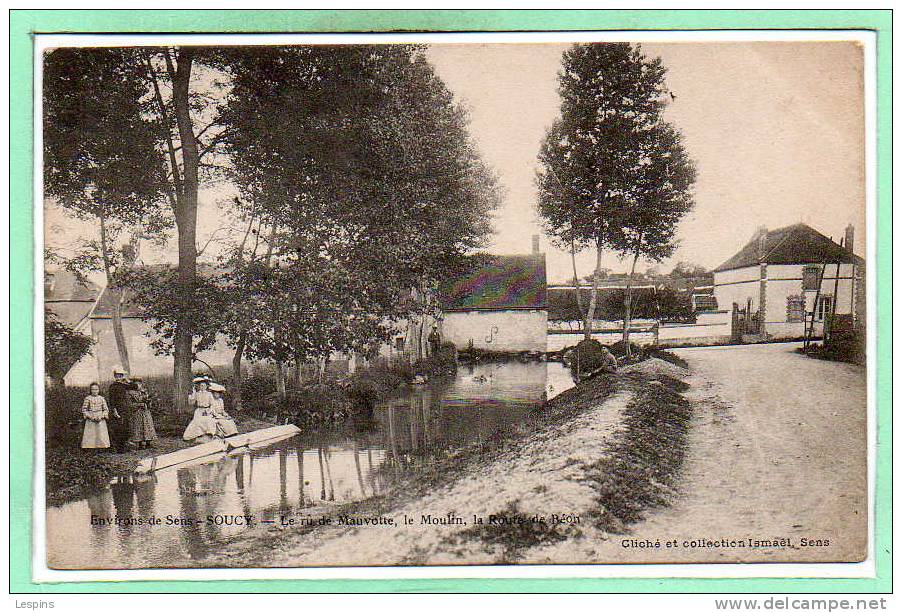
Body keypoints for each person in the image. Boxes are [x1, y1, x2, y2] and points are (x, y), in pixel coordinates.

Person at [126, 377, 157, 449]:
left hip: (145, 412)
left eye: (140, 384)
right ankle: (140, 443)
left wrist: (149, 401)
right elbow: (130, 404)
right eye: (137, 384)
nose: (139, 386)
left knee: (147, 426)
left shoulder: (143, 392)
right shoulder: (130, 393)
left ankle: (148, 442)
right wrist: (140, 404)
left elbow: (147, 400)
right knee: (139, 427)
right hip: (137, 412)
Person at [184, 377, 217, 444]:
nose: (202, 387)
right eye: (201, 386)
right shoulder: (197, 393)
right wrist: (193, 393)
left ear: (206, 386)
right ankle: (198, 435)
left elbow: (213, 404)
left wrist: (209, 410)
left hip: (207, 409)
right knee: (197, 421)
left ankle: (209, 435)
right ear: (199, 386)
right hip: (199, 410)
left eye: (204, 385)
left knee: (209, 420)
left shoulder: (209, 394)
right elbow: (191, 403)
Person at [81, 383, 111, 450]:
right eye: (93, 389)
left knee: (101, 433)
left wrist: (102, 416)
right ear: (90, 390)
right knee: (91, 433)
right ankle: (90, 447)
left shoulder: (102, 398)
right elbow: (84, 409)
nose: (95, 391)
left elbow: (106, 409)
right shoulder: (88, 399)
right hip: (91, 418)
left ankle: (101, 447)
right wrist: (90, 416)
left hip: (100, 417)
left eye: (96, 389)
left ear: (99, 390)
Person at [107, 366, 131, 452]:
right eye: (117, 375)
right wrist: (114, 410)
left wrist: (126, 380)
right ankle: (119, 447)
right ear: (115, 376)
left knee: (126, 427)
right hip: (117, 409)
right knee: (118, 428)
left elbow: (135, 386)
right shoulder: (112, 386)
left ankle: (124, 445)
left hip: (125, 408)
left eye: (120, 375)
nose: (119, 377)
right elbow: (111, 400)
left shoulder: (124, 385)